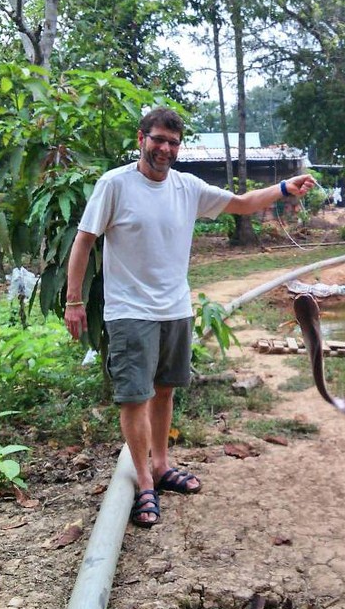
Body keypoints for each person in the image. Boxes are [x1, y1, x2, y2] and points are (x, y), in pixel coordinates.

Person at [65, 107, 315, 527]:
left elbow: (240, 203)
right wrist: (74, 301)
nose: (164, 148)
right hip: (130, 311)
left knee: (164, 391)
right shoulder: (115, 184)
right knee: (134, 396)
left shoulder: (187, 187)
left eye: (173, 142)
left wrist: (285, 187)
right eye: (158, 139)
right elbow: (84, 240)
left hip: (174, 309)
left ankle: (162, 465)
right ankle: (143, 480)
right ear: (141, 138)